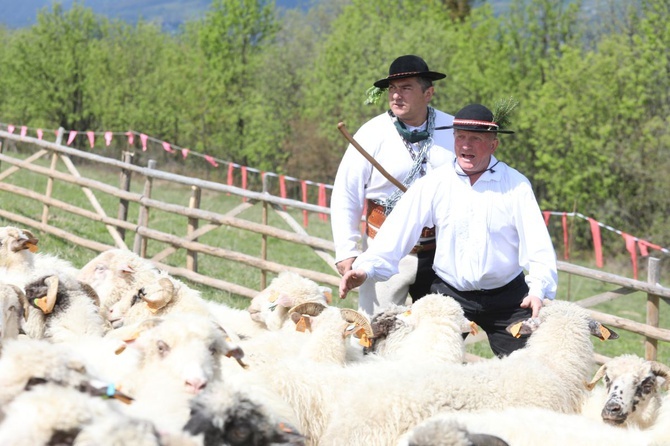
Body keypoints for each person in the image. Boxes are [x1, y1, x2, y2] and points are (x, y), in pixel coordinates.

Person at [339, 102, 558, 357]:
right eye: (460, 137)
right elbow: (396, 233)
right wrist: (366, 269)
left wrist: (538, 290)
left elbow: (538, 245)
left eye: (475, 138)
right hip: (450, 297)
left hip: (508, 299)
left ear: (493, 144)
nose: (466, 145)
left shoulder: (516, 186)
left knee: (523, 374)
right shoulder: (434, 183)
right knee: (429, 367)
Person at [330, 55, 455, 319]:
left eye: (406, 88)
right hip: (383, 252)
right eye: (392, 89)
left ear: (428, 93)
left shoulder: (454, 131)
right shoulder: (372, 133)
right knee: (374, 332)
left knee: (439, 332)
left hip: (441, 254)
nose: (396, 96)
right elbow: (346, 193)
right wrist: (347, 250)